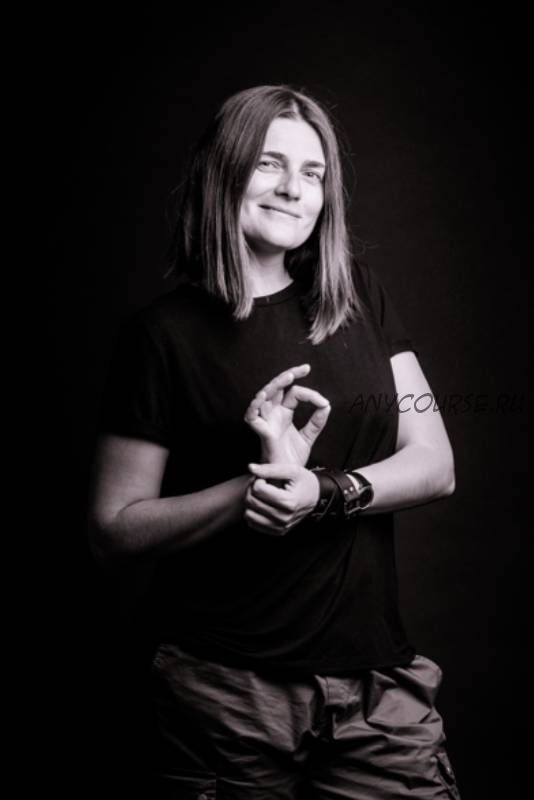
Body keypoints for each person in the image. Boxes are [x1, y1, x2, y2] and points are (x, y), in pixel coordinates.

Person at [86, 85, 462, 799]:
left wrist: (324, 491)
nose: (294, 189)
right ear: (223, 172)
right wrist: (251, 489)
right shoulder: (160, 336)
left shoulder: (360, 298)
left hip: (375, 685)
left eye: (313, 172)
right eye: (269, 164)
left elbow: (435, 462)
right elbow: (113, 528)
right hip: (221, 694)